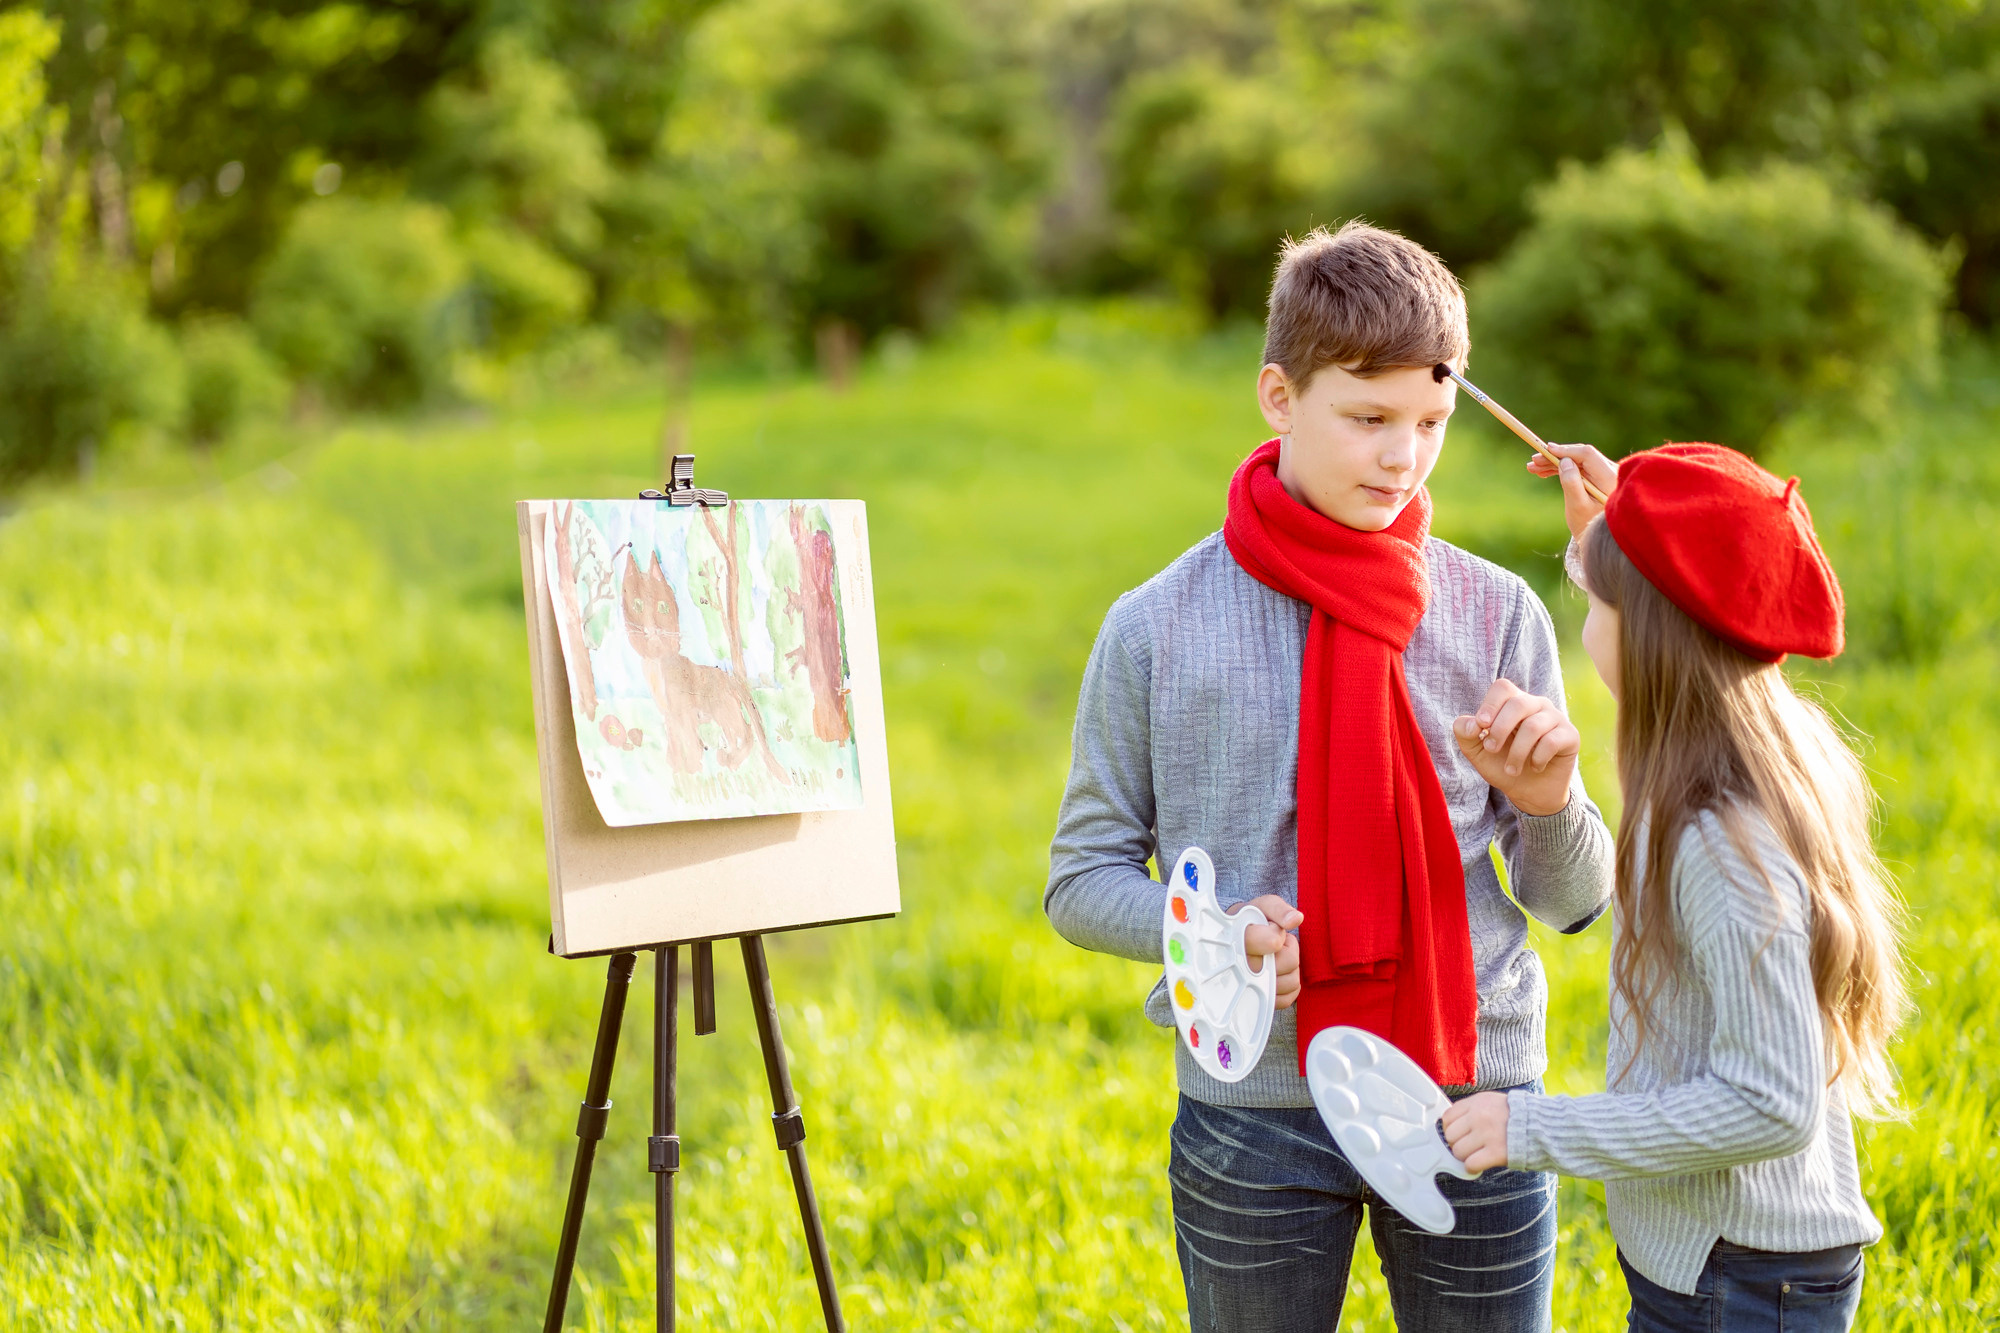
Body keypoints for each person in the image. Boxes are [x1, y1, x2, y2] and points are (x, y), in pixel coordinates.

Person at [1044, 220, 1616, 1333]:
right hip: (1253, 1103)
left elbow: (1571, 899)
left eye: (1430, 424)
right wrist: (1213, 930)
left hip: (1473, 1096)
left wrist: (1552, 806)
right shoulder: (1155, 626)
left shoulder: (1494, 610)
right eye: (1366, 419)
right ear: (1276, 397)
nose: (1401, 457)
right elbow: (1080, 879)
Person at [1443, 441, 1906, 1332]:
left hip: (1736, 1282)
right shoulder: (1762, 743)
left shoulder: (1718, 840)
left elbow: (1770, 1102)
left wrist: (1532, 1127)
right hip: (1731, 1261)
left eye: (1598, 597)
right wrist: (1615, 533)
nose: (1583, 610)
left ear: (1648, 632)